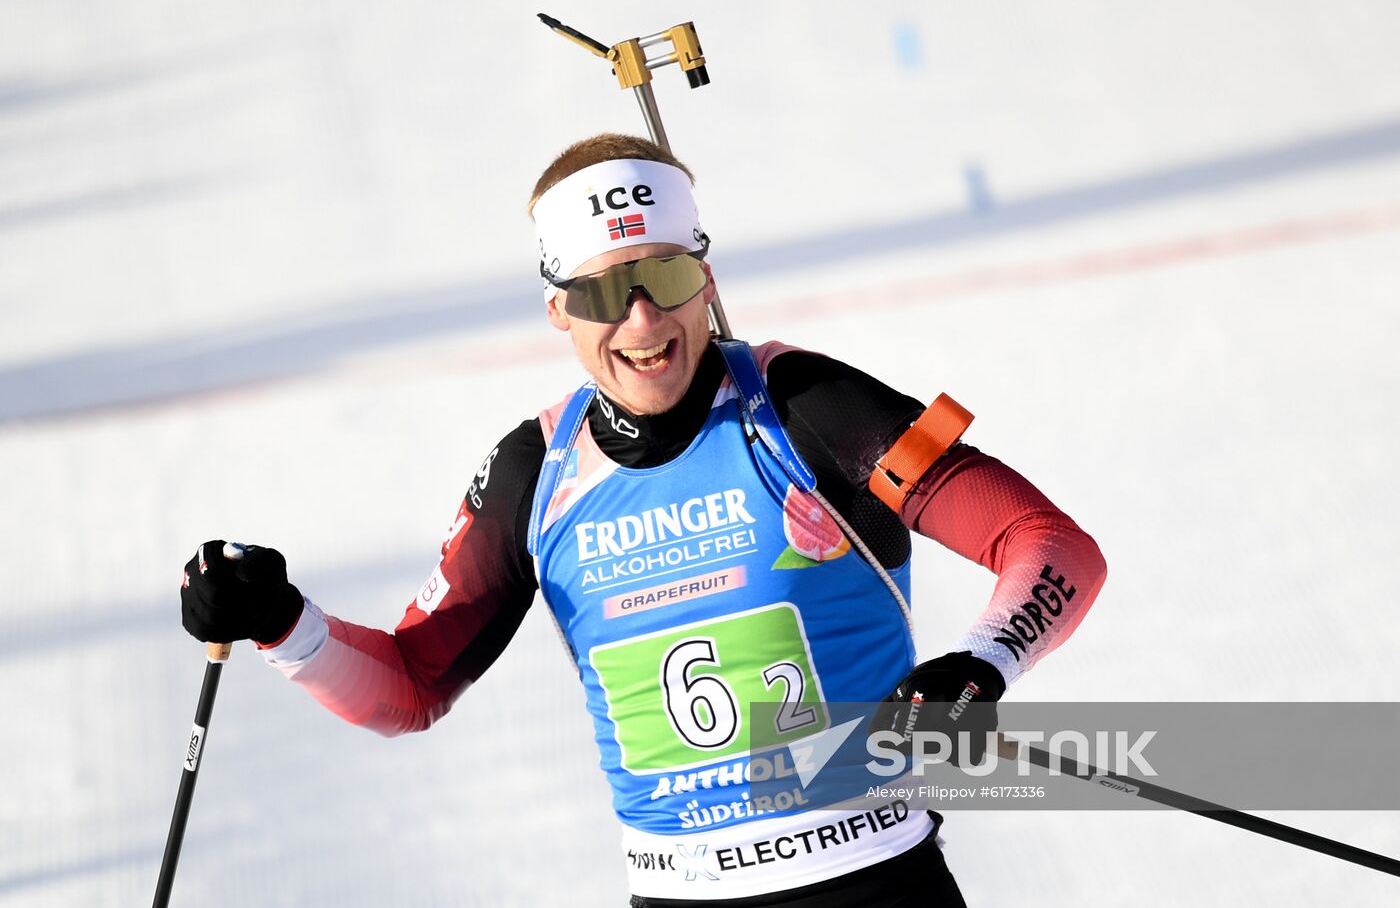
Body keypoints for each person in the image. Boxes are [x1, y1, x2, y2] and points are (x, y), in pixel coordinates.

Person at [180, 133, 1107, 906]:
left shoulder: (805, 407)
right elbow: (411, 686)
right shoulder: (536, 472)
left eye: (663, 274)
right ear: (557, 307)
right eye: (600, 292)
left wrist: (982, 663)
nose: (640, 320)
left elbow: (1051, 546)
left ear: (703, 276)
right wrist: (282, 623)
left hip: (872, 885)